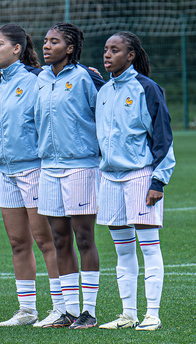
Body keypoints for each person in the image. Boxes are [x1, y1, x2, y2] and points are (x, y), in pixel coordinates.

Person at [0, 24, 63, 327]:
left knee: (47, 241)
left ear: (17, 48)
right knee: (18, 242)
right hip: (6, 171)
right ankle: (27, 309)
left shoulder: (37, 78)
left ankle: (61, 307)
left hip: (33, 168)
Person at [96, 31, 174, 332]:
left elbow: (163, 139)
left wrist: (158, 181)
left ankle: (152, 314)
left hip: (141, 176)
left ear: (130, 56)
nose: (107, 55)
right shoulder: (103, 91)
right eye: (105, 49)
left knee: (150, 247)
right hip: (110, 178)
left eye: (115, 50)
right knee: (123, 251)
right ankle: (127, 314)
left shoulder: (147, 88)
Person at [34, 23, 105, 329]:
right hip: (48, 168)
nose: (46, 46)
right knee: (59, 238)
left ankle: (89, 312)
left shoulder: (86, 78)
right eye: (45, 41)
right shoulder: (40, 78)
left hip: (81, 166)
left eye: (54, 42)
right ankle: (69, 311)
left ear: (71, 48)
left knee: (84, 238)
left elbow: (105, 114)